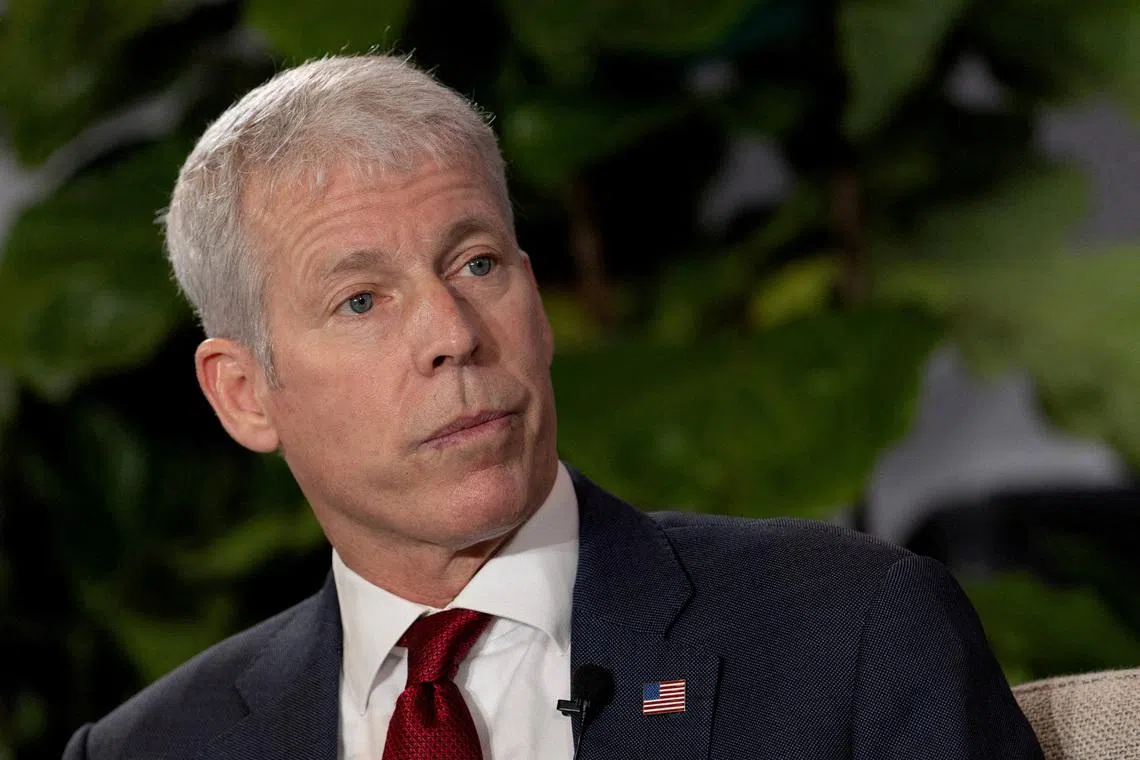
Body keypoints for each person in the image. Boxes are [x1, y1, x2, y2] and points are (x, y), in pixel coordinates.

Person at [62, 54, 1043, 760]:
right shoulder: (150, 745)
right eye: (361, 299)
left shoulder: (852, 634)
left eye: (477, 263)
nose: (452, 330)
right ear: (245, 395)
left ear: (534, 298)